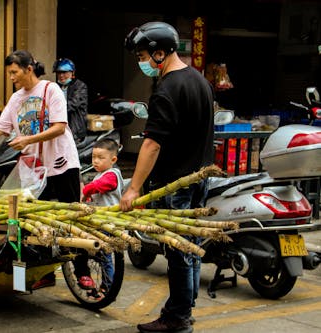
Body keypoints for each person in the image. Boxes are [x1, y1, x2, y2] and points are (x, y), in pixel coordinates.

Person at [0, 50, 81, 289]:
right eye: (9, 73)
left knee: (73, 219)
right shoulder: (16, 99)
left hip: (61, 165)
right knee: (24, 223)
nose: (11, 77)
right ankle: (37, 275)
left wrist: (27, 140)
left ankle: (82, 269)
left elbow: (59, 127)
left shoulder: (50, 90)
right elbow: (1, 129)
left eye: (14, 72)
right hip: (33, 170)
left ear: (28, 69)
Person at [121, 22, 214, 333]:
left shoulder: (167, 89)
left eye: (143, 55)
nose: (142, 62)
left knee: (177, 251)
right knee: (190, 246)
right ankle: (186, 306)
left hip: (176, 183)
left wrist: (133, 188)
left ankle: (177, 317)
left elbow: (152, 143)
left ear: (160, 53)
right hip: (198, 178)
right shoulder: (199, 81)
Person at [81, 138, 124, 296]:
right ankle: (105, 285)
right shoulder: (101, 173)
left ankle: (107, 286)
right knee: (103, 255)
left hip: (109, 222)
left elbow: (100, 186)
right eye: (94, 157)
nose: (96, 161)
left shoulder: (111, 174)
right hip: (102, 221)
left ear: (113, 159)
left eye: (101, 158)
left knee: (105, 256)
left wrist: (86, 190)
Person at [52, 58, 88, 143]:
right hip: (58, 129)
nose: (61, 75)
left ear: (72, 73)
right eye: (59, 73)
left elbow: (72, 104)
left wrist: (53, 110)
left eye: (64, 72)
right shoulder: (55, 86)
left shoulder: (79, 86)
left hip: (74, 131)